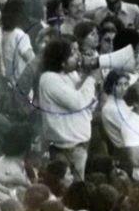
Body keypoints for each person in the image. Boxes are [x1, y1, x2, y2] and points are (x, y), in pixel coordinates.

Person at [38, 37, 96, 179]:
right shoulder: (49, 79)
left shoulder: (70, 74)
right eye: (72, 54)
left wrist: (86, 76)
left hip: (79, 144)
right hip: (67, 147)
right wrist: (91, 77)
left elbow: (88, 99)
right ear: (61, 61)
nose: (77, 56)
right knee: (69, 188)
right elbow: (79, 102)